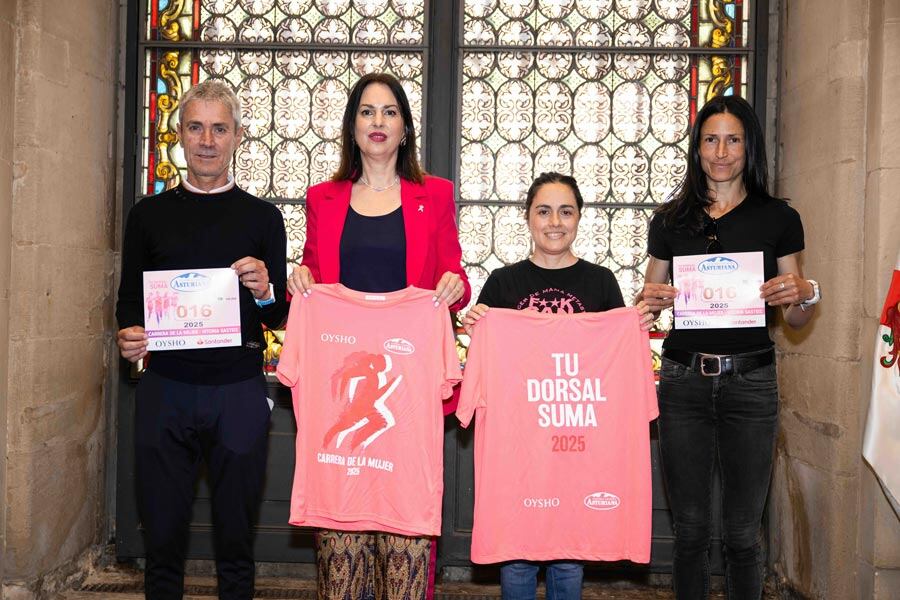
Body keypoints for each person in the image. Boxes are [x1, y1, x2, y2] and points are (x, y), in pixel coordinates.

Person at [286, 72, 470, 600]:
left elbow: (453, 281)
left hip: (404, 391)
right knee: (341, 559)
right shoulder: (323, 198)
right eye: (367, 111)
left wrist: (454, 285)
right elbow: (314, 274)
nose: (378, 122)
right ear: (352, 125)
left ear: (406, 127)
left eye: (389, 112)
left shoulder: (433, 195)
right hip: (340, 388)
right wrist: (300, 279)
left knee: (406, 555)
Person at [638, 95, 819, 599]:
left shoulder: (778, 218)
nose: (721, 151)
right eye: (710, 139)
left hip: (752, 382)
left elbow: (797, 315)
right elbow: (647, 305)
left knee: (742, 534)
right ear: (697, 149)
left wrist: (806, 293)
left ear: (749, 146)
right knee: (691, 532)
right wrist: (649, 300)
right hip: (683, 382)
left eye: (733, 139)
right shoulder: (670, 219)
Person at [115, 80, 288, 600]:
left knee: (236, 542)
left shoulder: (263, 218)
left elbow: (280, 314)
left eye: (219, 128)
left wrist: (263, 290)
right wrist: (128, 337)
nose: (207, 140)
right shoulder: (148, 214)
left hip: (237, 391)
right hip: (165, 390)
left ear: (237, 136)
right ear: (180, 135)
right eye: (196, 127)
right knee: (162, 541)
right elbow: (129, 302)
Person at [462, 172, 653, 600]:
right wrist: (475, 326)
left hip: (577, 443)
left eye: (566, 211)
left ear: (579, 218)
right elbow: (486, 362)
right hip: (520, 447)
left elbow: (614, 361)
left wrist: (633, 328)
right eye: (543, 211)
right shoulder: (502, 283)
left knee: (570, 553)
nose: (554, 221)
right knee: (517, 554)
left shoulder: (600, 282)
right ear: (527, 218)